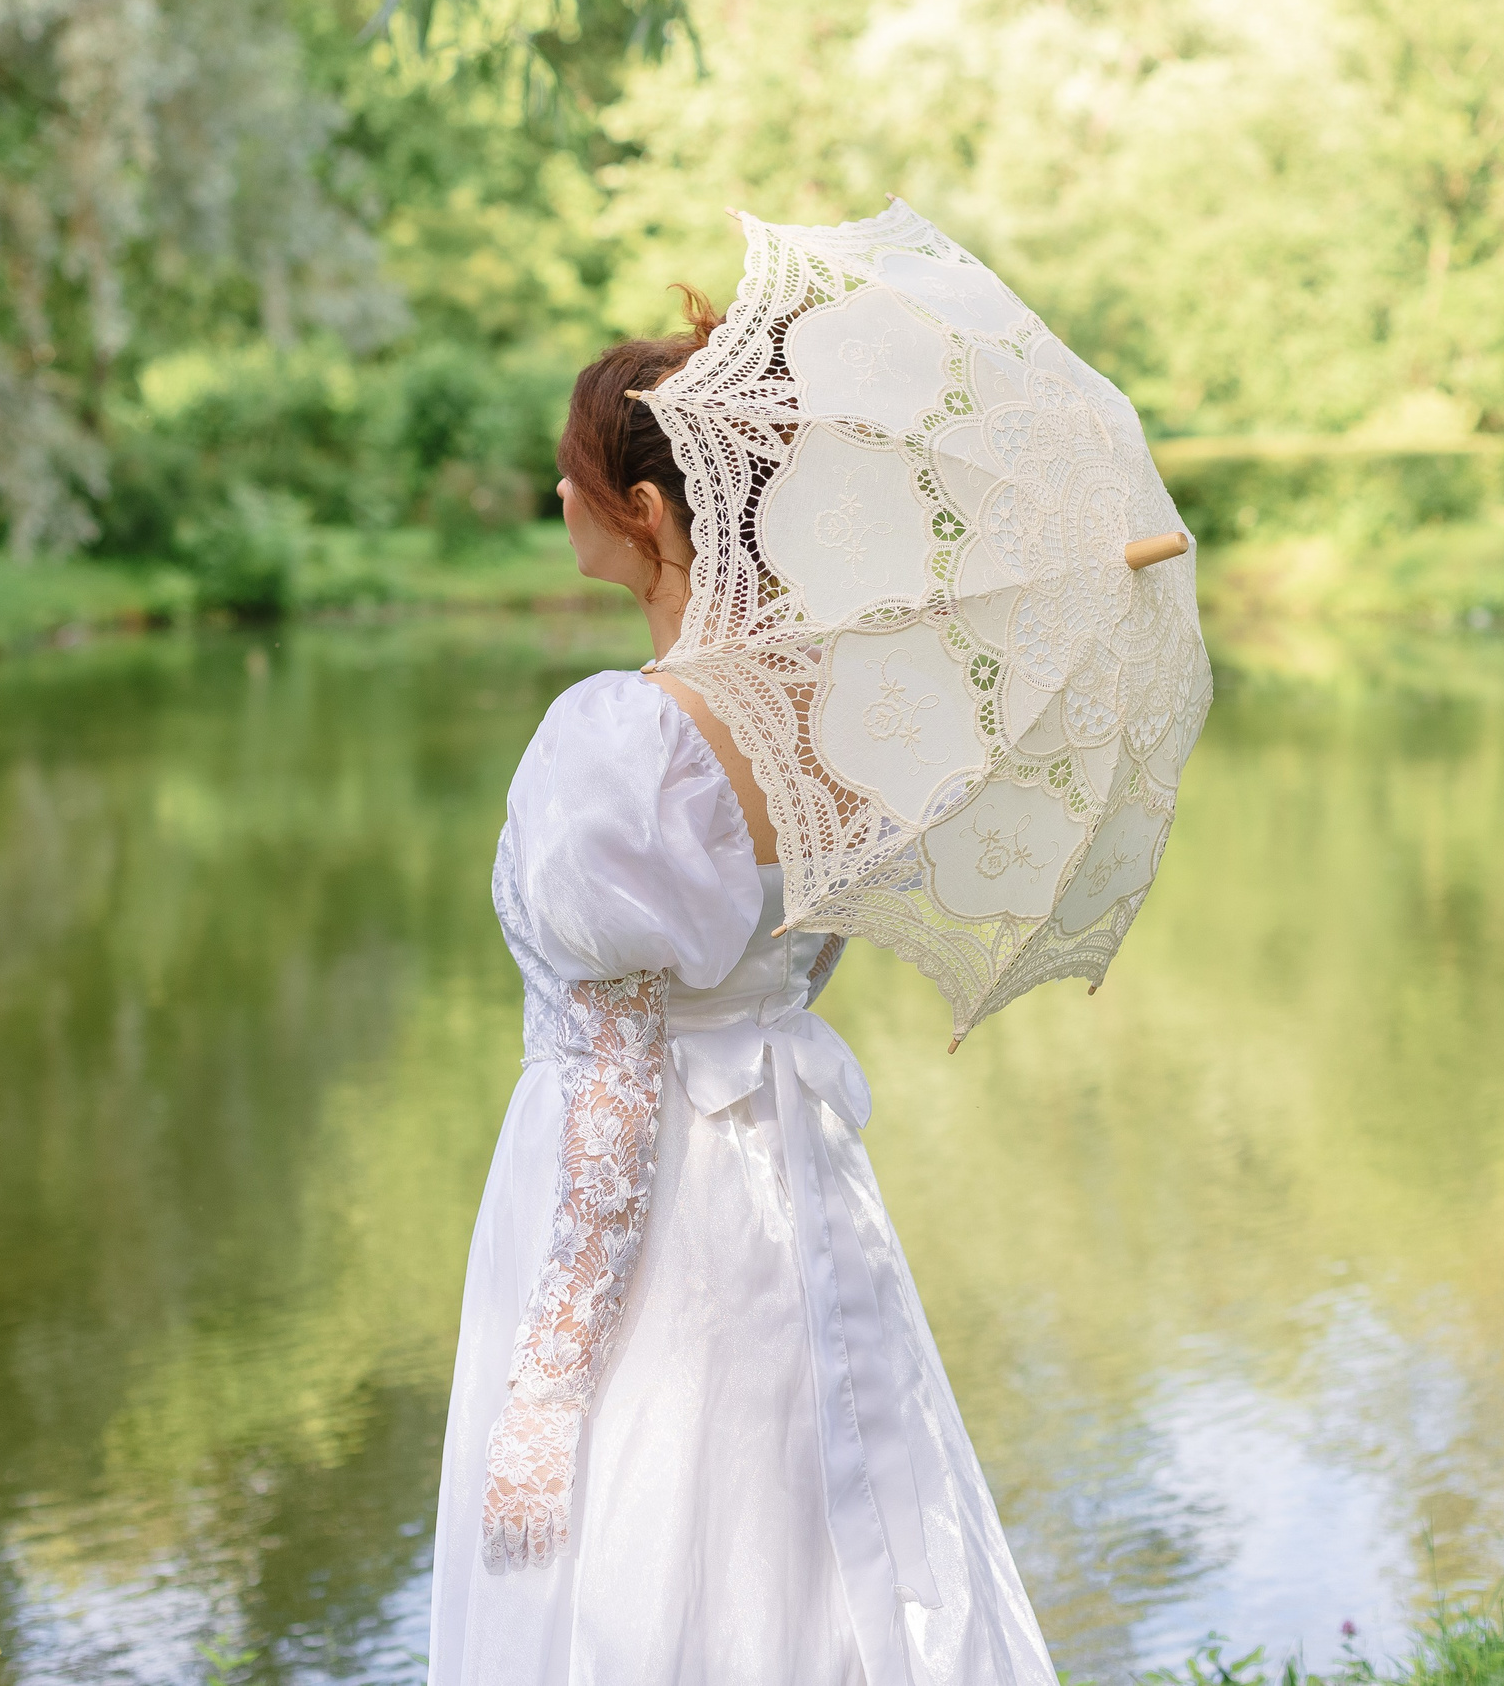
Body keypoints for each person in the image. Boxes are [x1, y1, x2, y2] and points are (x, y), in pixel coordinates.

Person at [425, 290, 1057, 1686]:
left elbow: (601, 947)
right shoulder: (847, 719)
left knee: (654, 1494)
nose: (557, 493)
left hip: (647, 1169)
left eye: (576, 475)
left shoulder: (624, 739)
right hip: (793, 1166)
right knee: (809, 1489)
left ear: (647, 510)